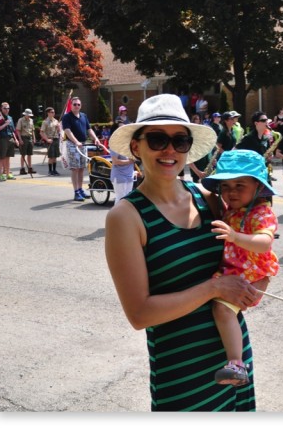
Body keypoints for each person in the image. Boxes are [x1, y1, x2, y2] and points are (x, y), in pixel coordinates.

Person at [105, 95, 260, 410]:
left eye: (180, 140)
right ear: (136, 147)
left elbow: (242, 259)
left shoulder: (208, 198)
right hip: (183, 374)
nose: (170, 150)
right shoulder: (126, 217)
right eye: (158, 140)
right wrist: (214, 288)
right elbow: (140, 314)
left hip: (234, 361)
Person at [200, 149, 280, 386]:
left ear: (257, 186)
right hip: (235, 272)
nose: (231, 192)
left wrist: (235, 236)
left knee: (222, 310)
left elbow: (265, 242)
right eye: (225, 186)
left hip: (250, 275)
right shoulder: (232, 209)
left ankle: (236, 364)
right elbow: (205, 192)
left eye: (239, 185)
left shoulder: (261, 212)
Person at [61, 96, 106, 202]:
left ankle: (80, 190)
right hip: (72, 144)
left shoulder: (83, 116)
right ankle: (76, 192)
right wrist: (76, 142)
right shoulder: (67, 117)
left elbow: (89, 129)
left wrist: (96, 139)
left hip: (83, 144)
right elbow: (67, 131)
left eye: (78, 104)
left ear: (81, 106)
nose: (76, 106)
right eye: (74, 104)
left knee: (81, 168)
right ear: (71, 105)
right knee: (75, 168)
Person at [0, 101, 19, 181]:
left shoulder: (10, 118)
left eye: (8, 108)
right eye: (5, 108)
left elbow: (13, 130)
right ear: (1, 108)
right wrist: (5, 124)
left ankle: (8, 174)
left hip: (10, 138)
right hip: (3, 138)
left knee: (8, 157)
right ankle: (1, 175)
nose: (7, 110)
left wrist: (16, 139)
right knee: (1, 157)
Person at [40, 106, 62, 176]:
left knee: (55, 156)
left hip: (56, 139)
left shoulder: (56, 121)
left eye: (54, 112)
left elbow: (59, 131)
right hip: (50, 139)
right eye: (52, 112)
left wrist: (58, 127)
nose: (53, 113)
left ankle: (54, 170)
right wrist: (47, 139)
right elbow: (42, 132)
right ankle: (50, 171)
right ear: (48, 113)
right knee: (51, 156)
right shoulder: (45, 122)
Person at [15, 108, 36, 175]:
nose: (29, 116)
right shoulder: (21, 120)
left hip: (29, 138)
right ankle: (22, 168)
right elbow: (18, 130)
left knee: (30, 154)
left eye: (30, 115)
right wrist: (20, 139)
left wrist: (34, 138)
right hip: (23, 137)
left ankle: (30, 168)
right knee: (23, 154)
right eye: (28, 115)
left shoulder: (31, 120)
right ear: (25, 114)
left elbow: (32, 130)